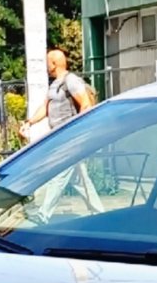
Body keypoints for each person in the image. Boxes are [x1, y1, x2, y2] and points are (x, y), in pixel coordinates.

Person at [20, 48, 102, 222]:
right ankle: (100, 214)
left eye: (47, 62)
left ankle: (43, 214)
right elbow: (45, 108)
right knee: (80, 179)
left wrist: (74, 131)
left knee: (59, 173)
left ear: (54, 64)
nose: (46, 66)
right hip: (60, 136)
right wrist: (30, 122)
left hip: (69, 138)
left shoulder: (71, 80)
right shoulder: (55, 84)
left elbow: (85, 104)